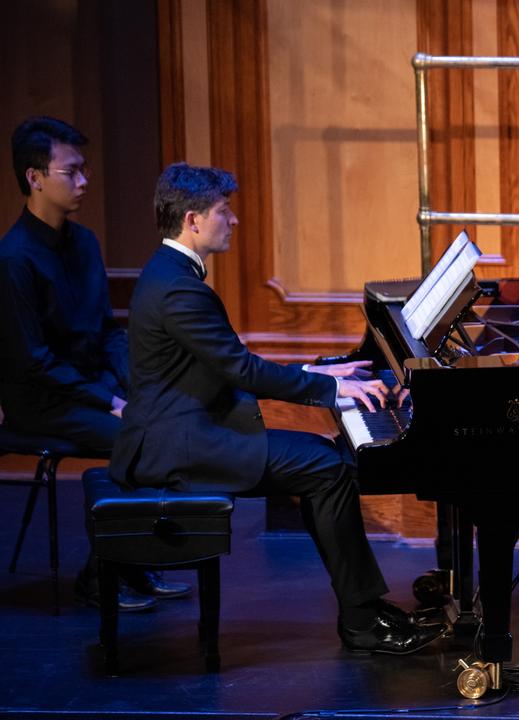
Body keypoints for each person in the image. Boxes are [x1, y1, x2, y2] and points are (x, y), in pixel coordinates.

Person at [110, 162, 435, 654]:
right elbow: (241, 370)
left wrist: (319, 372)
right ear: (193, 220)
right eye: (225, 211)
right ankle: (363, 620)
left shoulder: (171, 274)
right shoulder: (179, 288)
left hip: (186, 430)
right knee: (328, 468)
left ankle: (363, 610)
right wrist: (327, 391)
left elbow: (230, 363)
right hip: (180, 445)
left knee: (328, 464)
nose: (234, 220)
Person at [0, 116, 188, 611]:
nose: (84, 182)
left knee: (165, 421)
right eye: (72, 172)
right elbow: (34, 362)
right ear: (34, 177)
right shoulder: (14, 259)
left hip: (90, 385)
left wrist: (136, 388)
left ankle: (130, 563)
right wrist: (112, 402)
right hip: (41, 401)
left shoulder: (83, 243)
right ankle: (105, 573)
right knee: (140, 439)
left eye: (84, 171)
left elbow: (106, 330)